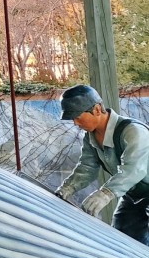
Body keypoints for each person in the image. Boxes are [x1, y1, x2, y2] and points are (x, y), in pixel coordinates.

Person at [56, 84, 149, 243]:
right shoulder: (90, 137)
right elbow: (87, 167)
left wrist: (105, 193)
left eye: (78, 116)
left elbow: (133, 170)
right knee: (122, 239)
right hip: (133, 195)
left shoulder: (133, 131)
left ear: (97, 109)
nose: (75, 123)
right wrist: (67, 188)